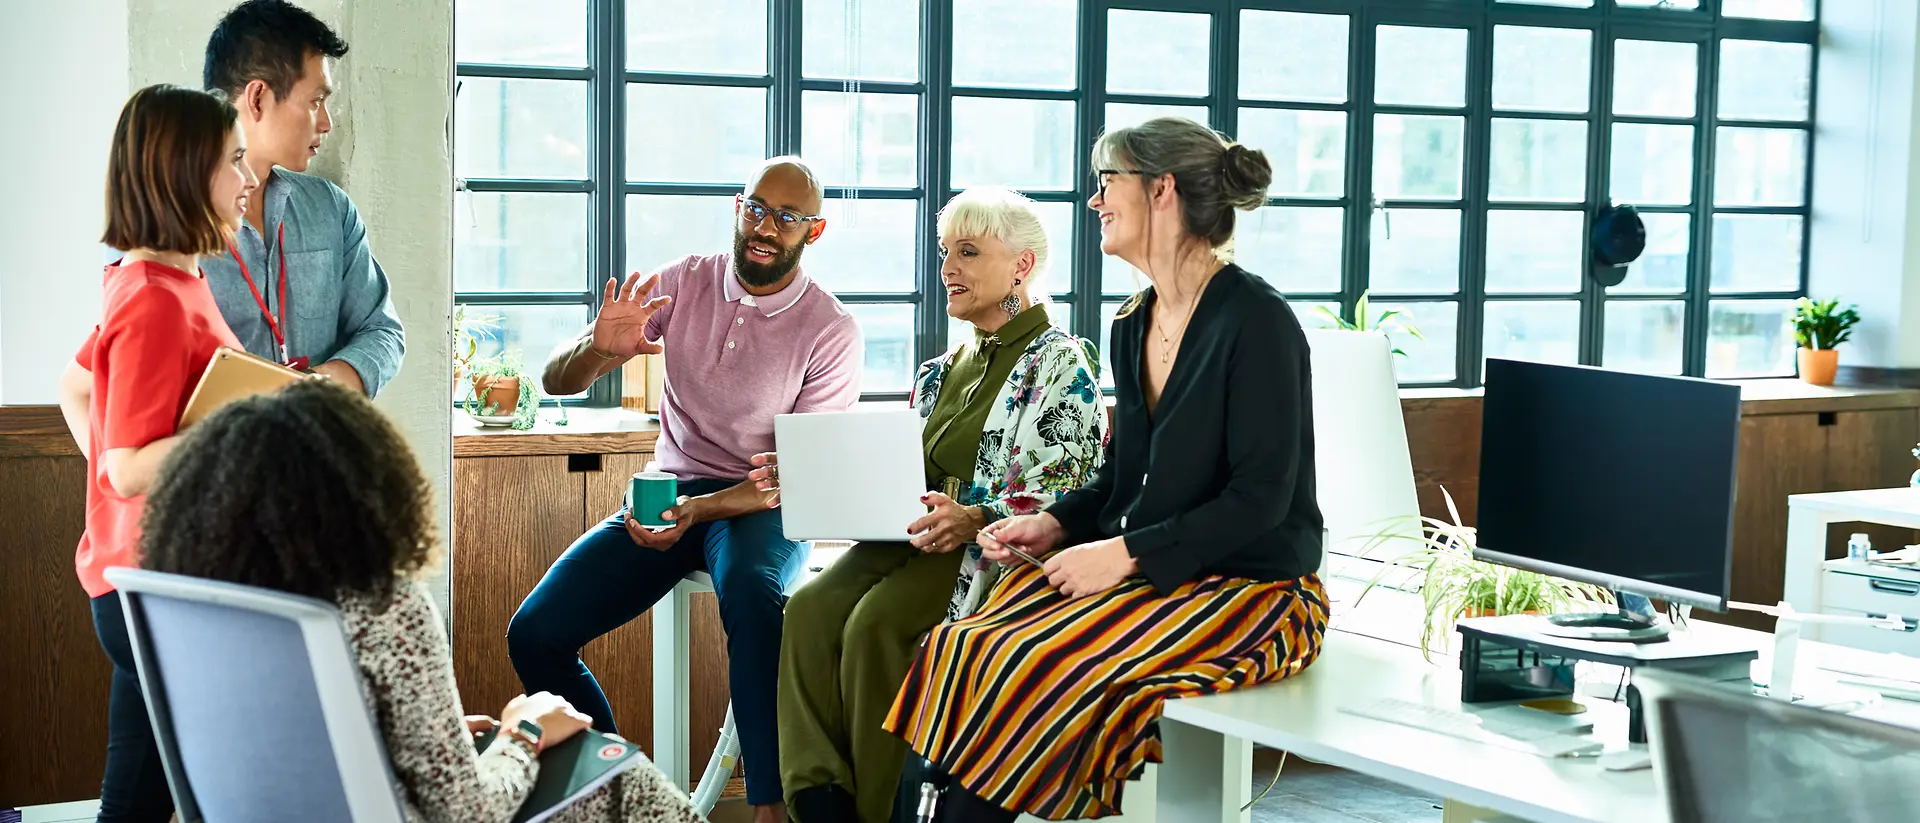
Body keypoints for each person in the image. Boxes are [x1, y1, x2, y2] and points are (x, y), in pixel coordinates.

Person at [882, 117, 1331, 822]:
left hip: (1255, 591)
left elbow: (1260, 500)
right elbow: (1122, 477)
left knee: (1037, 661)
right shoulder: (1133, 323)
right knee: (963, 644)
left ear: (1162, 191)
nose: (1095, 201)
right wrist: (1051, 524)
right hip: (1157, 573)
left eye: (1106, 181)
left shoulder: (1258, 322)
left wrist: (1121, 555)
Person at [138, 380, 703, 823]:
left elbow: (299, 747)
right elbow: (468, 814)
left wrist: (437, 733)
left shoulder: (200, 609)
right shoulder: (384, 604)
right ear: (366, 488)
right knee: (618, 776)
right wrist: (524, 729)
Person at [508, 156, 862, 823]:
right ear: (738, 206)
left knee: (756, 598)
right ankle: (611, 788)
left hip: (758, 503)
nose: (766, 227)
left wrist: (697, 509)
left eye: (787, 217)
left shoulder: (831, 329)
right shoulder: (682, 283)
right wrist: (597, 346)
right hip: (668, 490)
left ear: (812, 233)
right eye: (756, 207)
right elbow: (558, 381)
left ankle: (769, 805)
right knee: (534, 632)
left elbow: (794, 478)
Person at [761, 188, 1108, 823]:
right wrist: (813, 473)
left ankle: (880, 810)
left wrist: (974, 516)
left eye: (968, 252)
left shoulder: (1062, 360)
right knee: (808, 608)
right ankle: (817, 796)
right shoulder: (940, 368)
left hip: (986, 554)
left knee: (875, 625)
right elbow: (900, 468)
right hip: (905, 536)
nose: (947, 267)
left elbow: (1068, 487)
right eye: (945, 251)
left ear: (1022, 266)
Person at [56, 83, 258, 823]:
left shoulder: (162, 279)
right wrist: (242, 422)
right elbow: (129, 464)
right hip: (152, 589)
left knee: (146, 796)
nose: (249, 179)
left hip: (148, 583)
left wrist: (115, 494)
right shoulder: (151, 298)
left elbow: (75, 390)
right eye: (234, 161)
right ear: (185, 172)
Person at [65, 0, 407, 414]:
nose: (327, 123)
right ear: (258, 97)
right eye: (316, 101)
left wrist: (319, 388)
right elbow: (96, 397)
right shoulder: (163, 235)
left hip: (322, 464)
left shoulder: (331, 210)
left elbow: (383, 331)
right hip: (220, 471)